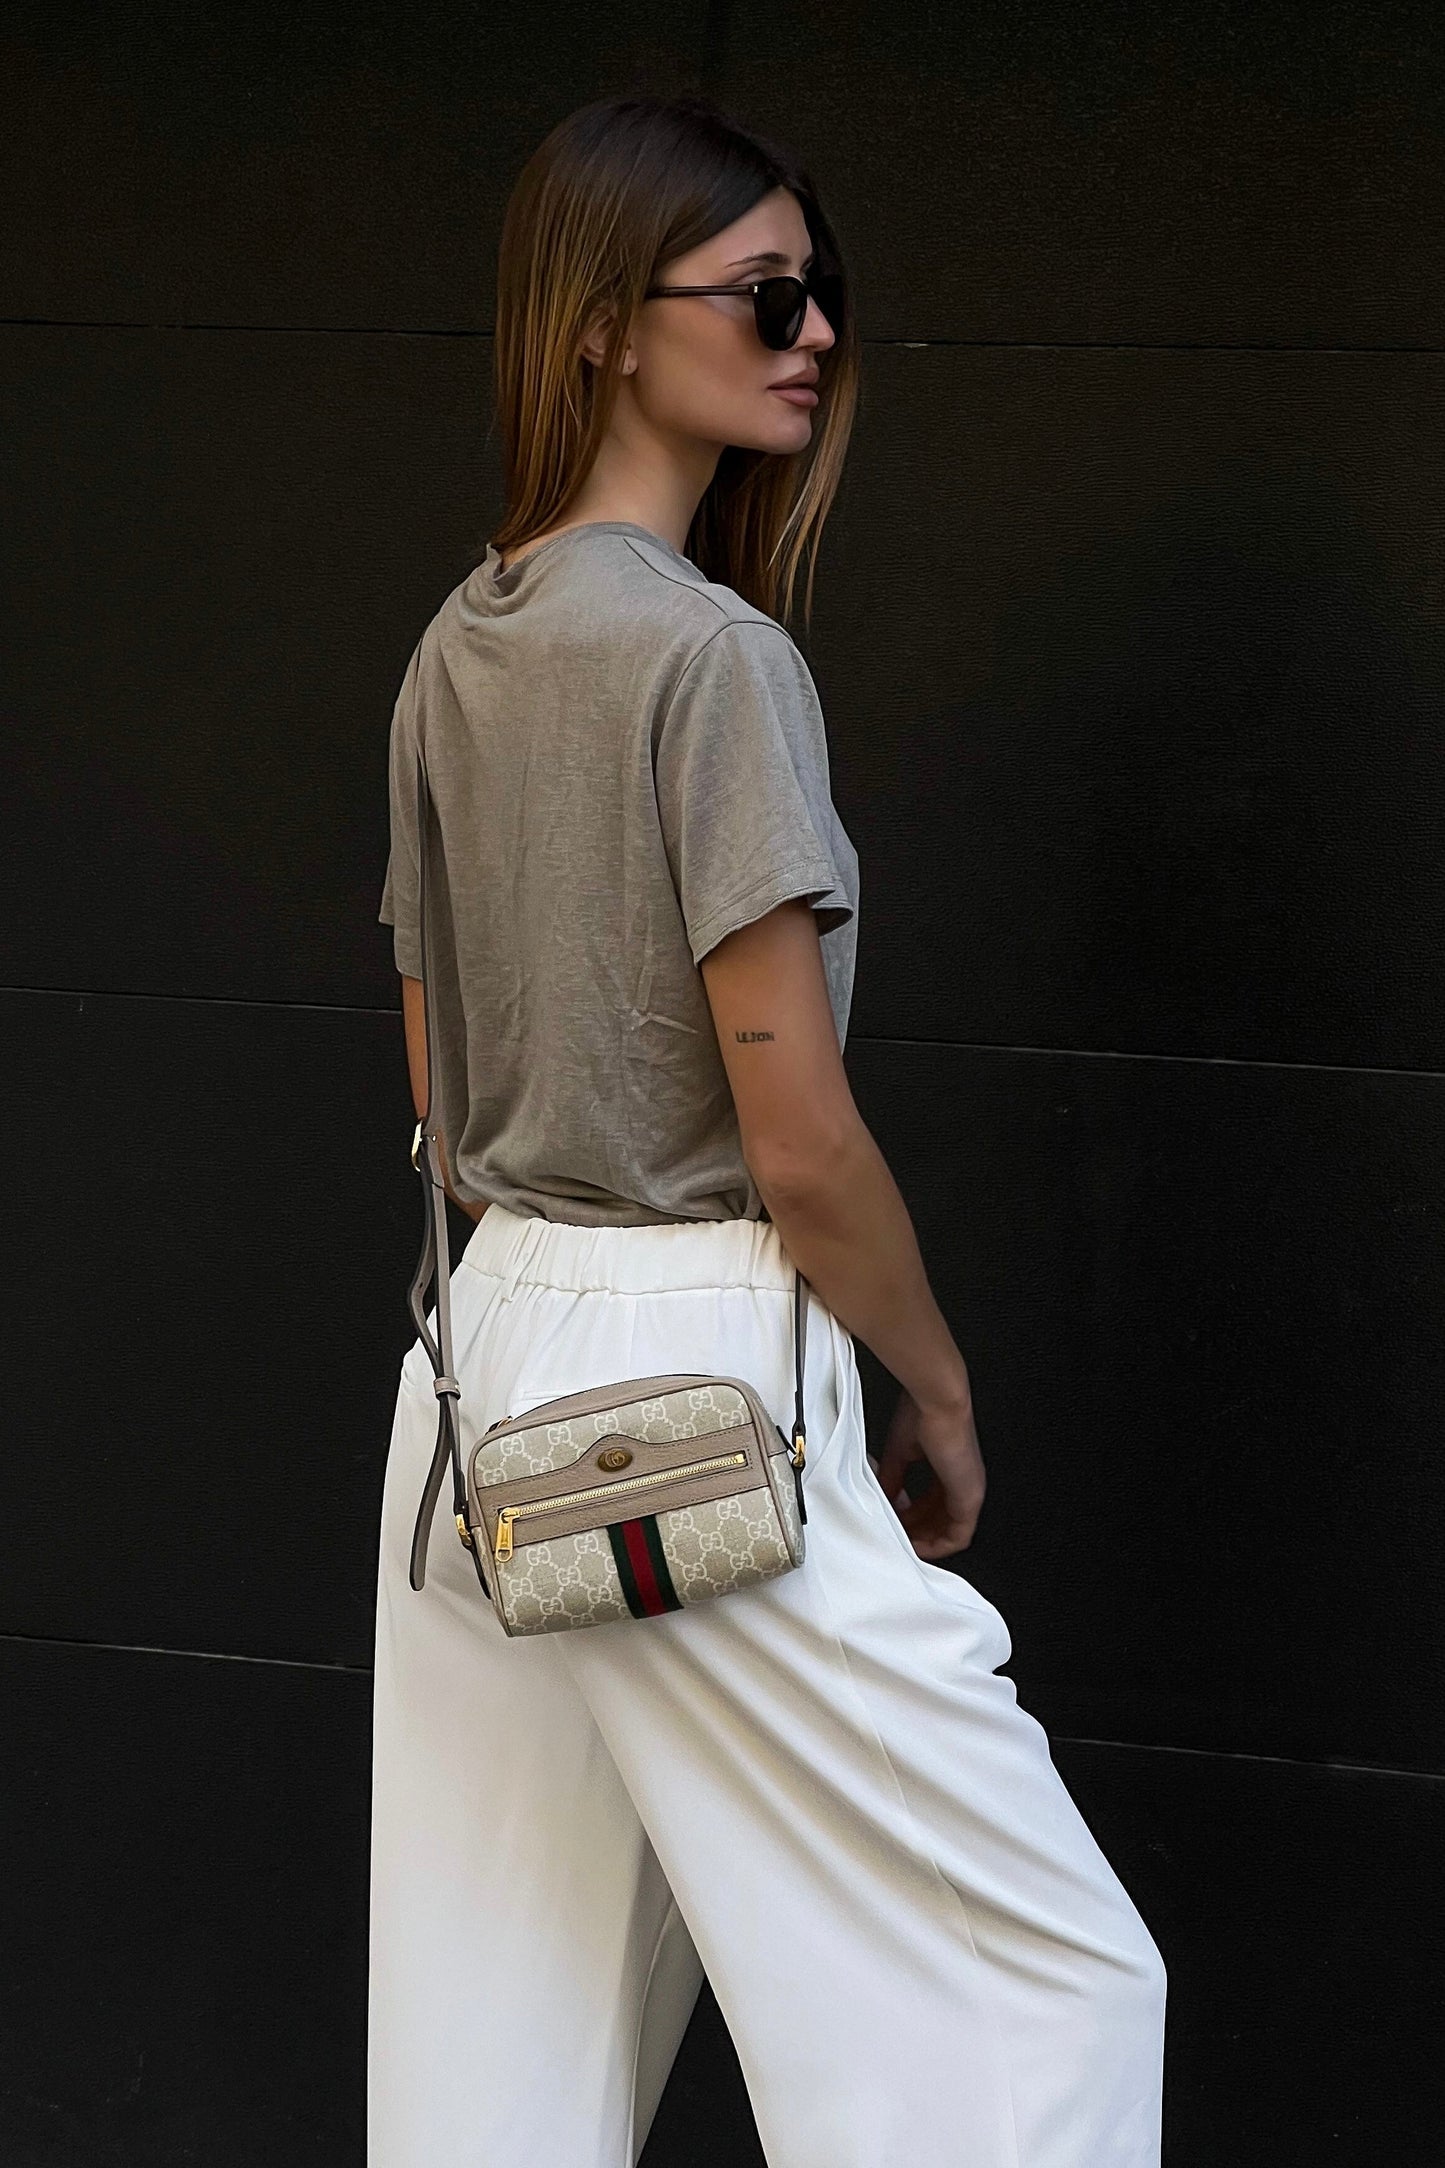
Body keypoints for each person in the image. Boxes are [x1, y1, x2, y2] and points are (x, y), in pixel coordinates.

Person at [370, 90, 1167, 2168]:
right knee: (1038, 1991)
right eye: (764, 293)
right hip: (685, 1398)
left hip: (477, 1384)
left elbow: (440, 1085)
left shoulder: (458, 644)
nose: (814, 335)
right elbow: (792, 1135)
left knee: (498, 2046)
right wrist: (937, 1387)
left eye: (823, 297)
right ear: (606, 323)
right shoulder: (712, 661)